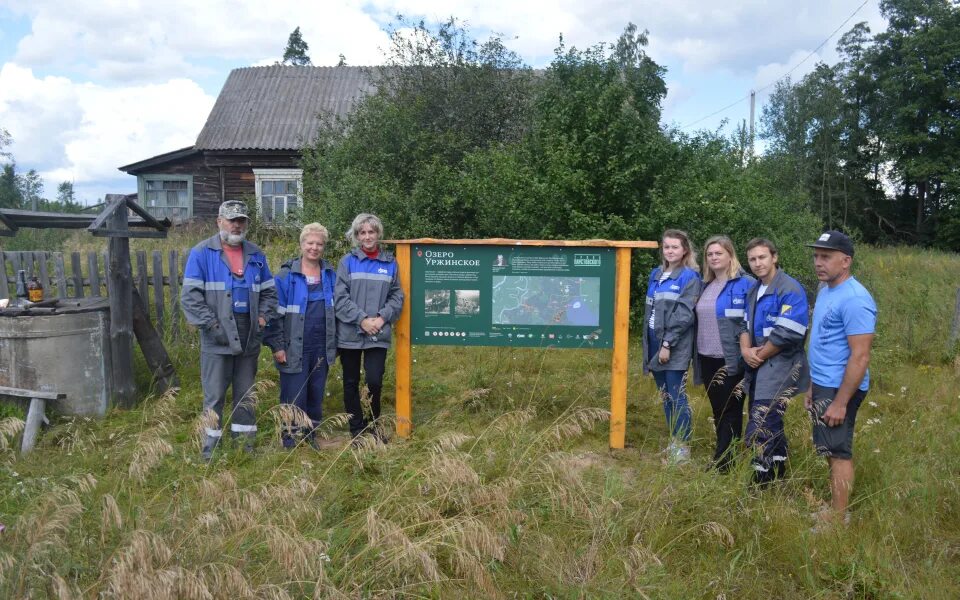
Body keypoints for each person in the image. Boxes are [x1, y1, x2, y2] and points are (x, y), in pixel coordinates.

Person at [181, 200, 278, 460]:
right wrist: (212, 326)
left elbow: (270, 292)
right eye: (231, 219)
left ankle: (244, 450)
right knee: (214, 398)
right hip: (216, 335)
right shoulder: (201, 253)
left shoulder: (256, 255)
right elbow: (190, 298)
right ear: (219, 221)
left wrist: (262, 319)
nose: (237, 225)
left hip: (249, 335)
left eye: (241, 220)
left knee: (246, 395)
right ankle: (209, 454)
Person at [804, 231, 876, 528]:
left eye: (826, 257)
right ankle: (835, 507)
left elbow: (860, 356)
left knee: (838, 452)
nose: (819, 263)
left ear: (845, 261)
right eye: (817, 256)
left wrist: (840, 402)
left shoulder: (856, 299)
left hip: (840, 389)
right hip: (823, 383)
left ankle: (837, 519)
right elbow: (821, 343)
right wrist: (811, 386)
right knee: (828, 449)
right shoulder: (825, 290)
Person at [740, 238, 809, 484]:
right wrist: (746, 349)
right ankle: (777, 473)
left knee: (762, 421)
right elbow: (742, 324)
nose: (757, 264)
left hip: (781, 364)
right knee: (768, 419)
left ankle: (762, 480)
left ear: (774, 257)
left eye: (762, 257)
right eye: (752, 259)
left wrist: (758, 355)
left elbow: (788, 332)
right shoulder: (753, 290)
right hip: (757, 364)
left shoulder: (789, 288)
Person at [264, 223, 338, 449]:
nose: (314, 248)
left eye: (319, 244)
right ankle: (289, 440)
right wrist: (277, 346)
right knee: (294, 394)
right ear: (301, 244)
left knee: (316, 393)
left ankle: (310, 435)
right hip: (292, 346)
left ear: (324, 247)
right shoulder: (286, 277)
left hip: (321, 345)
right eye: (310, 243)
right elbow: (273, 317)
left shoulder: (330, 276)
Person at [335, 213, 404, 440]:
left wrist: (382, 319)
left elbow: (396, 297)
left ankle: (374, 426)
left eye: (371, 232)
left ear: (378, 234)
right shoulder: (347, 262)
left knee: (374, 380)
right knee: (351, 381)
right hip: (351, 332)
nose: (367, 236)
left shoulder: (390, 262)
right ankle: (356, 429)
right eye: (362, 232)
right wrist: (362, 320)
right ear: (357, 236)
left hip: (378, 332)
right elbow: (340, 298)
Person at [693, 235, 755, 471]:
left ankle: (724, 463)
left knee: (730, 409)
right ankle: (726, 453)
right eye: (710, 254)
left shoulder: (745, 283)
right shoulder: (705, 284)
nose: (714, 257)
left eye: (719, 253)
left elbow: (751, 320)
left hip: (731, 358)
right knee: (718, 409)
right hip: (706, 356)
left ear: (731, 255)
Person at [642, 229, 702, 463]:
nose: (670, 251)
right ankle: (674, 441)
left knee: (676, 395)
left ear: (684, 250)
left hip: (674, 344)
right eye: (666, 247)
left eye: (675, 247)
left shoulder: (690, 277)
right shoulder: (656, 274)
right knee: (665, 395)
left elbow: (684, 315)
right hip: (653, 342)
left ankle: (683, 448)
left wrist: (667, 343)